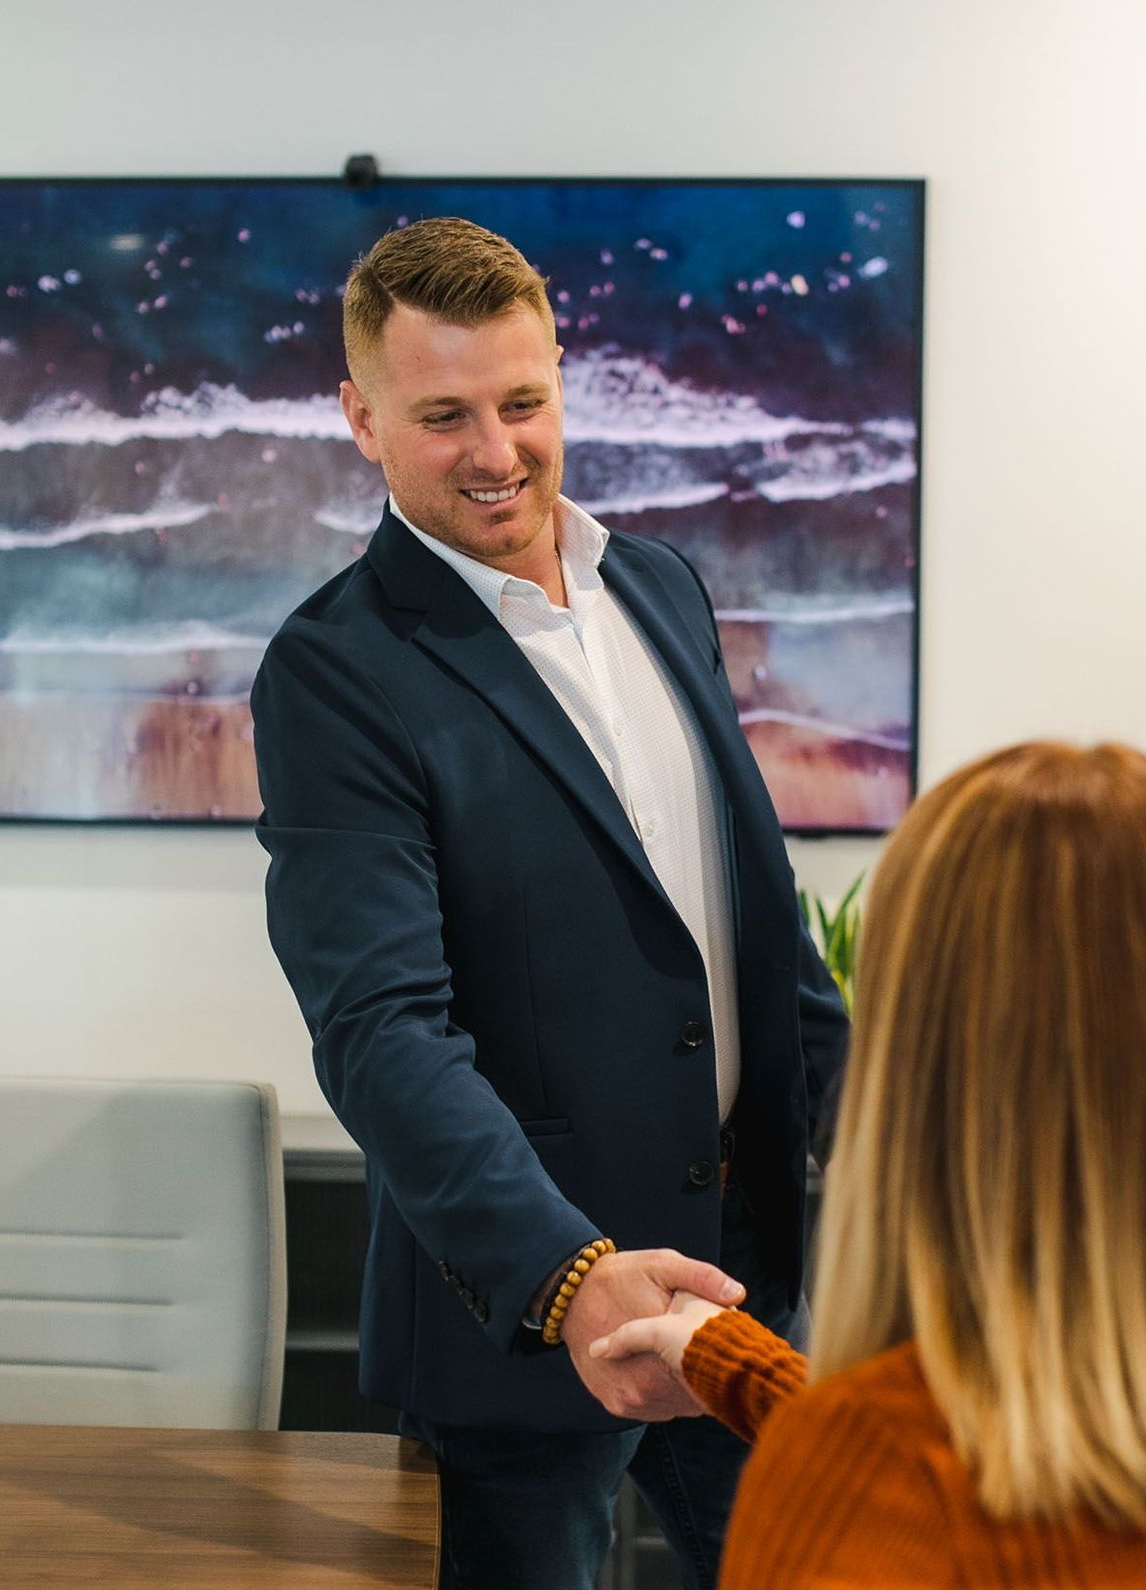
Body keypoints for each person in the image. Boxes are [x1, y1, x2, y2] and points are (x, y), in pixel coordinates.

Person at [250, 216, 849, 1590]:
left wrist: (902, 1152)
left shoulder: (661, 587)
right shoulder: (333, 673)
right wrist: (569, 1277)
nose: (496, 449)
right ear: (361, 418)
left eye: (522, 402)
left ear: (563, 379)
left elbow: (755, 937)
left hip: (748, 1280)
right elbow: (382, 1029)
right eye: (443, 413)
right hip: (521, 1319)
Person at [592, 742, 1146, 1588]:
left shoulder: (857, 1488)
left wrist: (826, 1437)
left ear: (913, 1062)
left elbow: (936, 1481)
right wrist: (744, 1367)